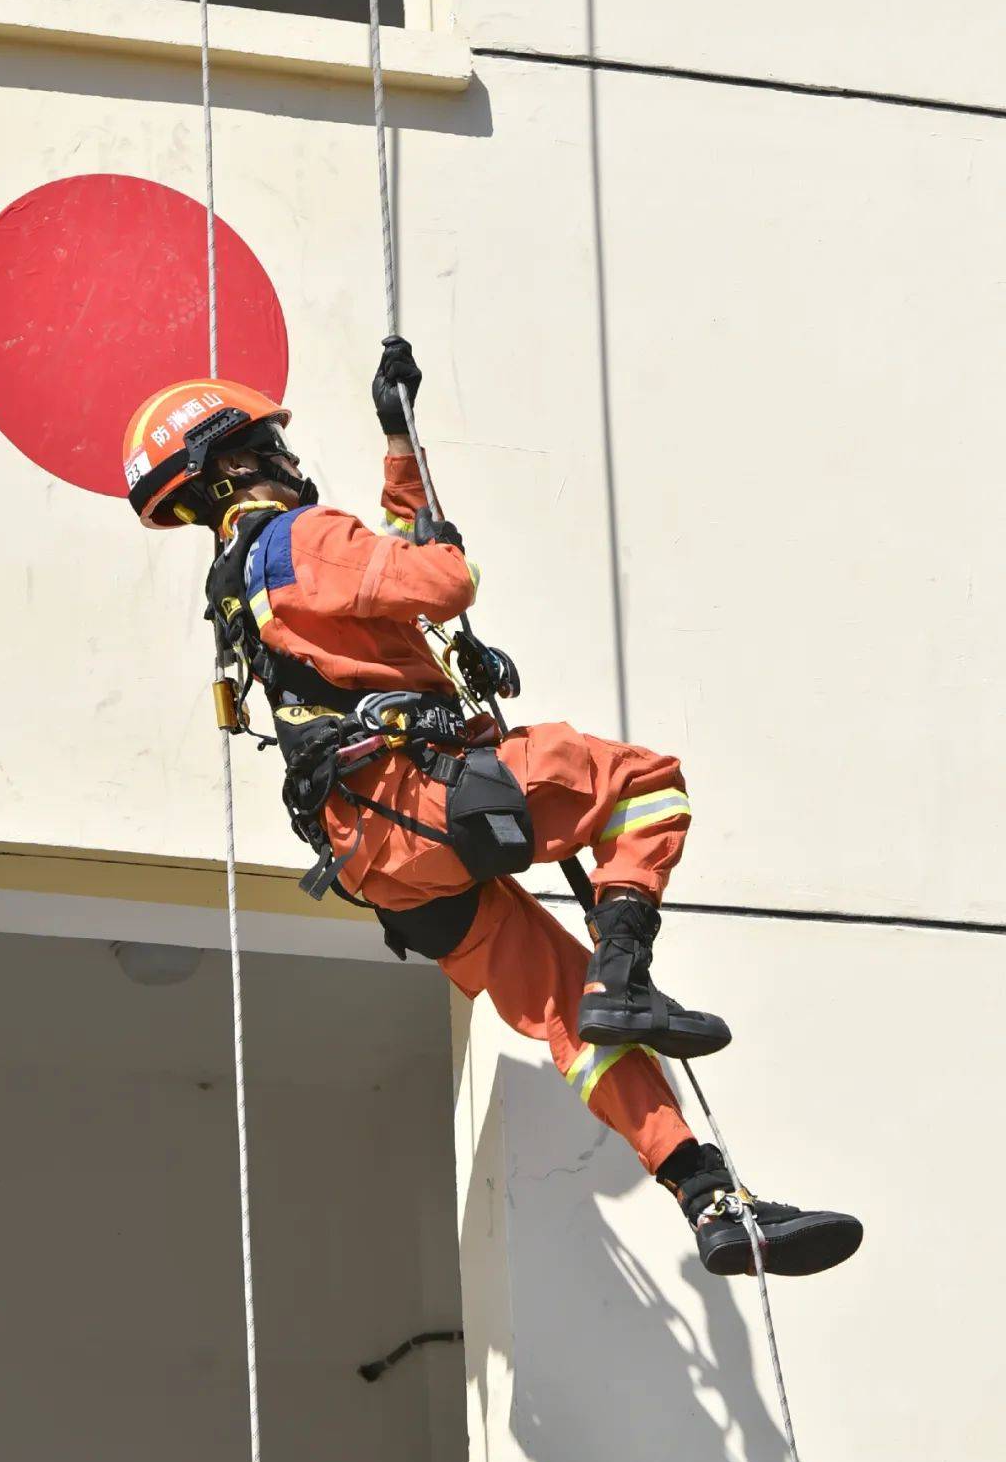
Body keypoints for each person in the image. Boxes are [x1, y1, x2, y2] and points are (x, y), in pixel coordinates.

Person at [122, 341, 862, 1278]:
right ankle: (626, 976)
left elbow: (394, 567)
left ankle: (709, 1196)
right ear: (232, 459)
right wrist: (428, 531)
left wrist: (400, 438)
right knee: (644, 783)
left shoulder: (241, 580)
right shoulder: (301, 539)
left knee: (565, 1017)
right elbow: (440, 580)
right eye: (267, 440)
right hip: (420, 797)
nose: (284, 453)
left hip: (375, 862)